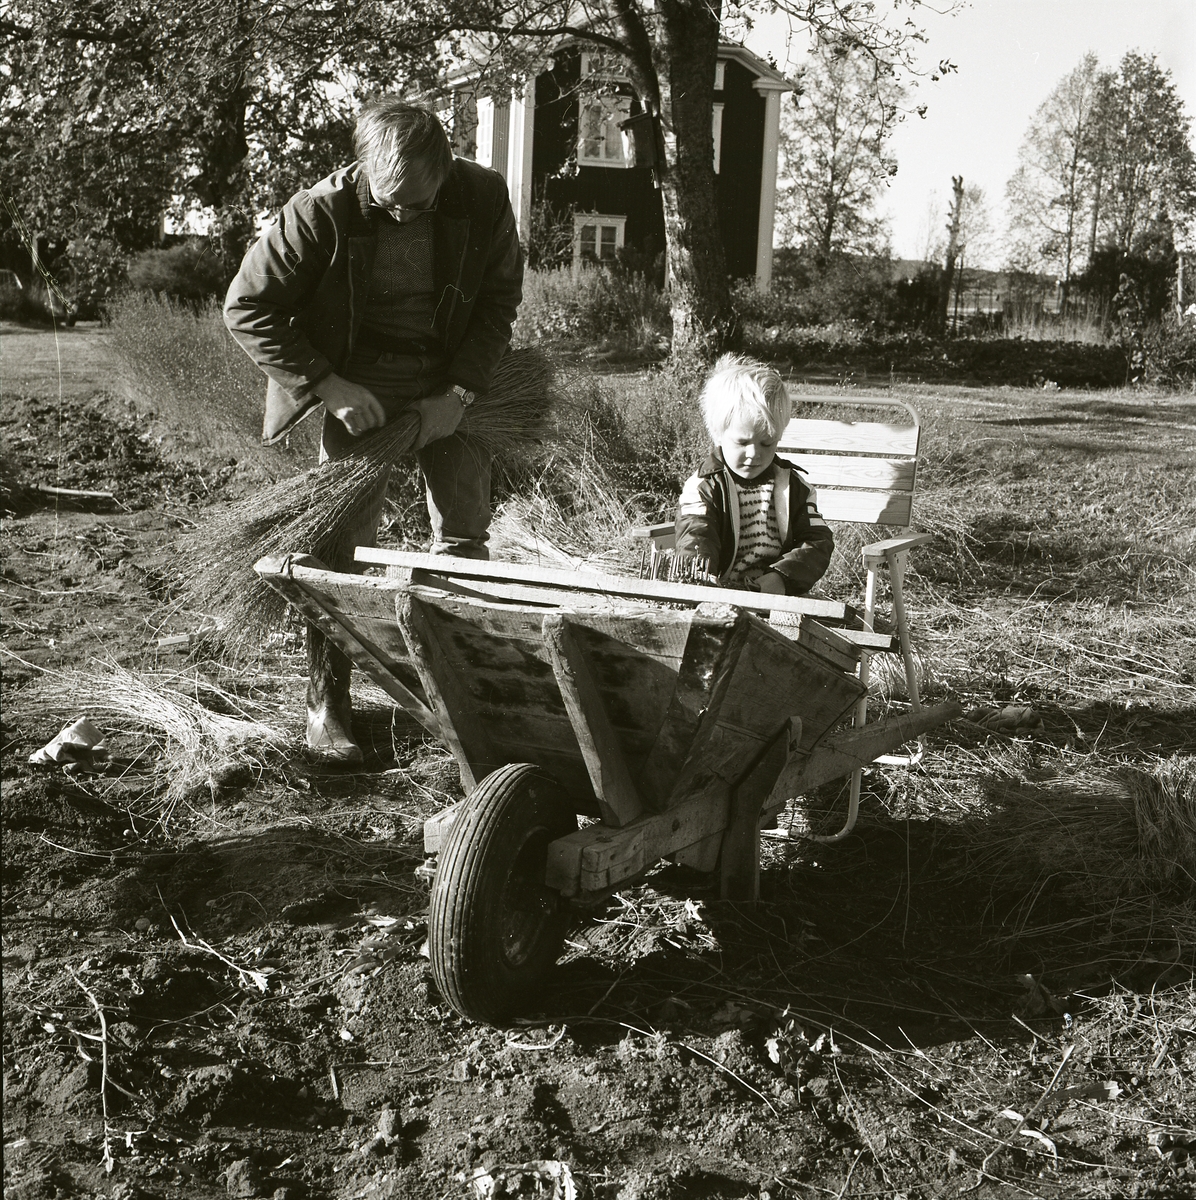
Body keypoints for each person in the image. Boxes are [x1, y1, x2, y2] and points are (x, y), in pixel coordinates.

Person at [224, 97, 523, 764]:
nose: (402, 215)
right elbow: (246, 306)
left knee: (466, 533)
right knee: (338, 547)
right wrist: (327, 385)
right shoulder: (319, 213)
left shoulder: (481, 197)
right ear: (362, 172)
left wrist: (461, 392)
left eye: (416, 204)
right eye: (388, 203)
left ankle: (462, 698)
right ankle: (327, 707)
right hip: (355, 379)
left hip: (448, 375)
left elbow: (501, 298)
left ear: (447, 170)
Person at [674, 354, 834, 594]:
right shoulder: (704, 487)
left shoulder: (795, 487)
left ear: (779, 437)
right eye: (742, 442)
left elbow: (816, 541)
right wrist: (700, 573)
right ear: (718, 434)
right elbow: (697, 532)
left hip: (777, 595)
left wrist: (783, 577)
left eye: (766, 444)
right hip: (720, 594)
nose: (754, 454)